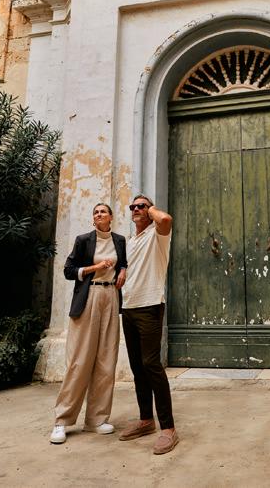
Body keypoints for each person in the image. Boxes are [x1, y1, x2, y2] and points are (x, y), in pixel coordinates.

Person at [49, 203, 127, 444]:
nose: (99, 214)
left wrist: (122, 270)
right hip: (88, 296)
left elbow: (123, 262)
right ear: (93, 218)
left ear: (111, 217)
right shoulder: (83, 240)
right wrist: (95, 268)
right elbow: (68, 271)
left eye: (103, 211)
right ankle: (62, 421)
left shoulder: (119, 240)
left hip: (111, 297)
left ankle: (96, 419)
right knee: (79, 360)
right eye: (95, 212)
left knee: (106, 360)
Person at [118, 195, 179, 455]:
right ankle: (146, 420)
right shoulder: (131, 241)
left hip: (150, 306)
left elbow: (165, 219)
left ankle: (169, 428)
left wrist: (150, 208)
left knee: (151, 364)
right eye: (133, 207)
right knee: (137, 367)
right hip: (129, 307)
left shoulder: (158, 235)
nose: (136, 209)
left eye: (140, 206)